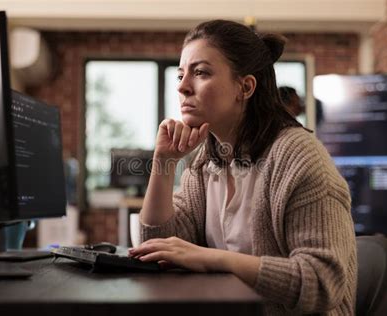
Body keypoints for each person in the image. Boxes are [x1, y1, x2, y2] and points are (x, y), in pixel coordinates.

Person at [129, 20, 357, 315]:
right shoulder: (206, 160)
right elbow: (157, 248)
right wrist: (164, 163)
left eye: (201, 73)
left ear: (245, 87)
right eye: (181, 74)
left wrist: (212, 258)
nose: (183, 87)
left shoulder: (299, 157)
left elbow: (321, 284)